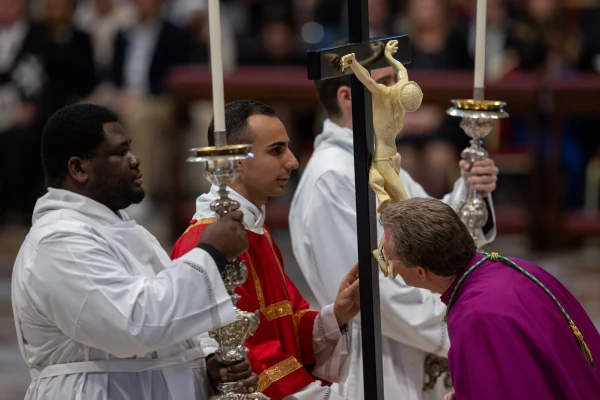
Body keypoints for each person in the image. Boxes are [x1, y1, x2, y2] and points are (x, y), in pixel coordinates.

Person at [11, 103, 257, 399]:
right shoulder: (59, 242)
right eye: (120, 152)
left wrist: (207, 362)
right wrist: (211, 253)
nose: (135, 160)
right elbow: (133, 325)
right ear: (78, 169)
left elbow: (165, 324)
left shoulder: (127, 231)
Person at [289, 67, 499, 400]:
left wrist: (470, 191)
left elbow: (428, 234)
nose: (401, 90)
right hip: (381, 354)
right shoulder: (332, 177)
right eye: (385, 82)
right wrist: (457, 324)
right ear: (347, 97)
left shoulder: (374, 158)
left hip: (413, 341)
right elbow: (372, 291)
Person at [171, 100, 361, 400]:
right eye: (276, 150)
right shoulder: (207, 243)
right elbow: (248, 354)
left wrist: (335, 316)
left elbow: (286, 324)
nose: (293, 162)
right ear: (234, 160)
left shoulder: (257, 231)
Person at [380, 197, 600, 400]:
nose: (389, 265)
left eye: (390, 259)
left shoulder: (477, 316)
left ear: (421, 272)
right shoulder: (511, 266)